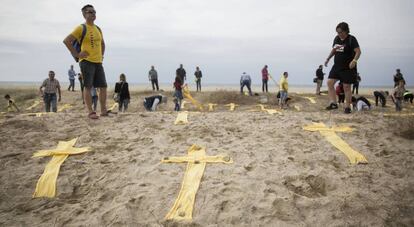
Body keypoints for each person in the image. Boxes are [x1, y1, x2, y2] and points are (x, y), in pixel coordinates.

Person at [63, 4, 108, 119]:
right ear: (84, 14)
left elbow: (103, 44)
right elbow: (67, 41)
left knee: (103, 86)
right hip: (86, 61)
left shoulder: (98, 29)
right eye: (90, 12)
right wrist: (76, 54)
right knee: (88, 86)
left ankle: (103, 110)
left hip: (98, 62)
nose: (93, 14)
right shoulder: (81, 28)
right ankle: (91, 111)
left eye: (94, 12)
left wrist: (101, 56)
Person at [325, 22, 361, 114]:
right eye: (337, 32)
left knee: (346, 87)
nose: (339, 34)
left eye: (340, 32)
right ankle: (333, 103)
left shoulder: (351, 39)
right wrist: (328, 58)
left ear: (345, 31)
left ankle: (347, 106)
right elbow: (334, 50)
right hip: (337, 66)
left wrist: (354, 61)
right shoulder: (337, 38)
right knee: (330, 82)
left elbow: (358, 52)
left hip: (348, 67)